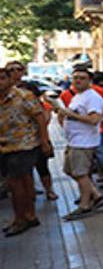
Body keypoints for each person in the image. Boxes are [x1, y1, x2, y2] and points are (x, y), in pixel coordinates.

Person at [0, 65, 53, 236]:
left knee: (17, 183)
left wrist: (45, 142)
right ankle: (28, 216)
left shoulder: (24, 96)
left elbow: (40, 119)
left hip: (24, 145)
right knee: (21, 182)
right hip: (5, 147)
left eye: (2, 78)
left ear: (10, 80)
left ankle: (21, 218)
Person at [51, 68, 103, 220]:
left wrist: (69, 114)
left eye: (82, 78)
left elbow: (94, 120)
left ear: (89, 80)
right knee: (69, 170)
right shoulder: (78, 96)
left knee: (81, 174)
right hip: (74, 140)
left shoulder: (92, 97)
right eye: (75, 77)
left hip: (84, 142)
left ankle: (85, 206)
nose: (77, 81)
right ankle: (96, 195)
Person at [6, 61, 56, 200]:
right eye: (11, 70)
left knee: (42, 166)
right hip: (12, 140)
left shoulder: (28, 90)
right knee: (21, 171)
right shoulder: (4, 92)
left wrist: (44, 139)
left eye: (19, 69)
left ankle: (49, 190)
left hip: (34, 136)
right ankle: (28, 193)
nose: (15, 72)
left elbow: (42, 114)